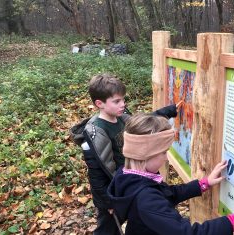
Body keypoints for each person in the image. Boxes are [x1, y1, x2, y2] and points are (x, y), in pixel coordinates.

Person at [108, 114, 234, 235]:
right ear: (146, 154)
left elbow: (167, 194)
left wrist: (204, 183)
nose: (166, 157)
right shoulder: (145, 198)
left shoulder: (128, 176)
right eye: (163, 152)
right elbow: (186, 232)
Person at [70, 73, 180, 235]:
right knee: (108, 229)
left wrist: (167, 111)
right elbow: (97, 173)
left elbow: (142, 122)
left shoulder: (121, 118)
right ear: (99, 103)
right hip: (111, 192)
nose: (123, 104)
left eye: (123, 99)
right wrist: (108, 201)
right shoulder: (96, 132)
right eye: (117, 101)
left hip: (128, 183)